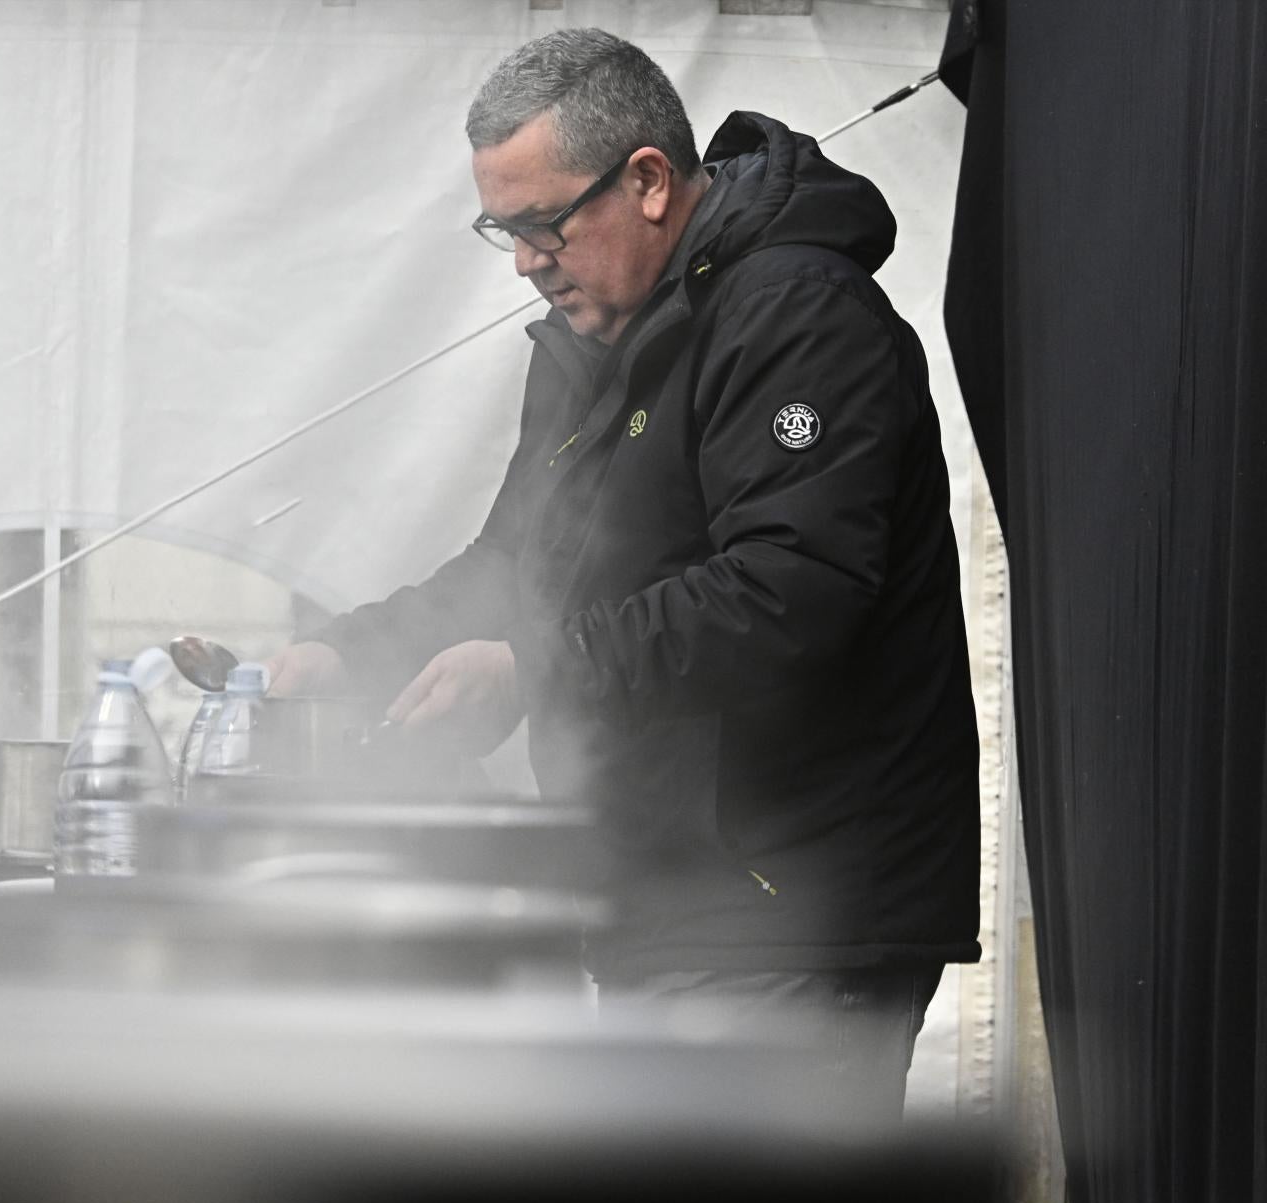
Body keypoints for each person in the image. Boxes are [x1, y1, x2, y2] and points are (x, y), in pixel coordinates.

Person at [268, 28, 978, 1119]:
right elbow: (514, 563)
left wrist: (535, 671)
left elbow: (790, 587)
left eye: (542, 224)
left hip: (789, 912)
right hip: (664, 903)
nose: (523, 261)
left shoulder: (797, 314)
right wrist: (351, 654)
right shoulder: (592, 338)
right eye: (502, 230)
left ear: (647, 181)